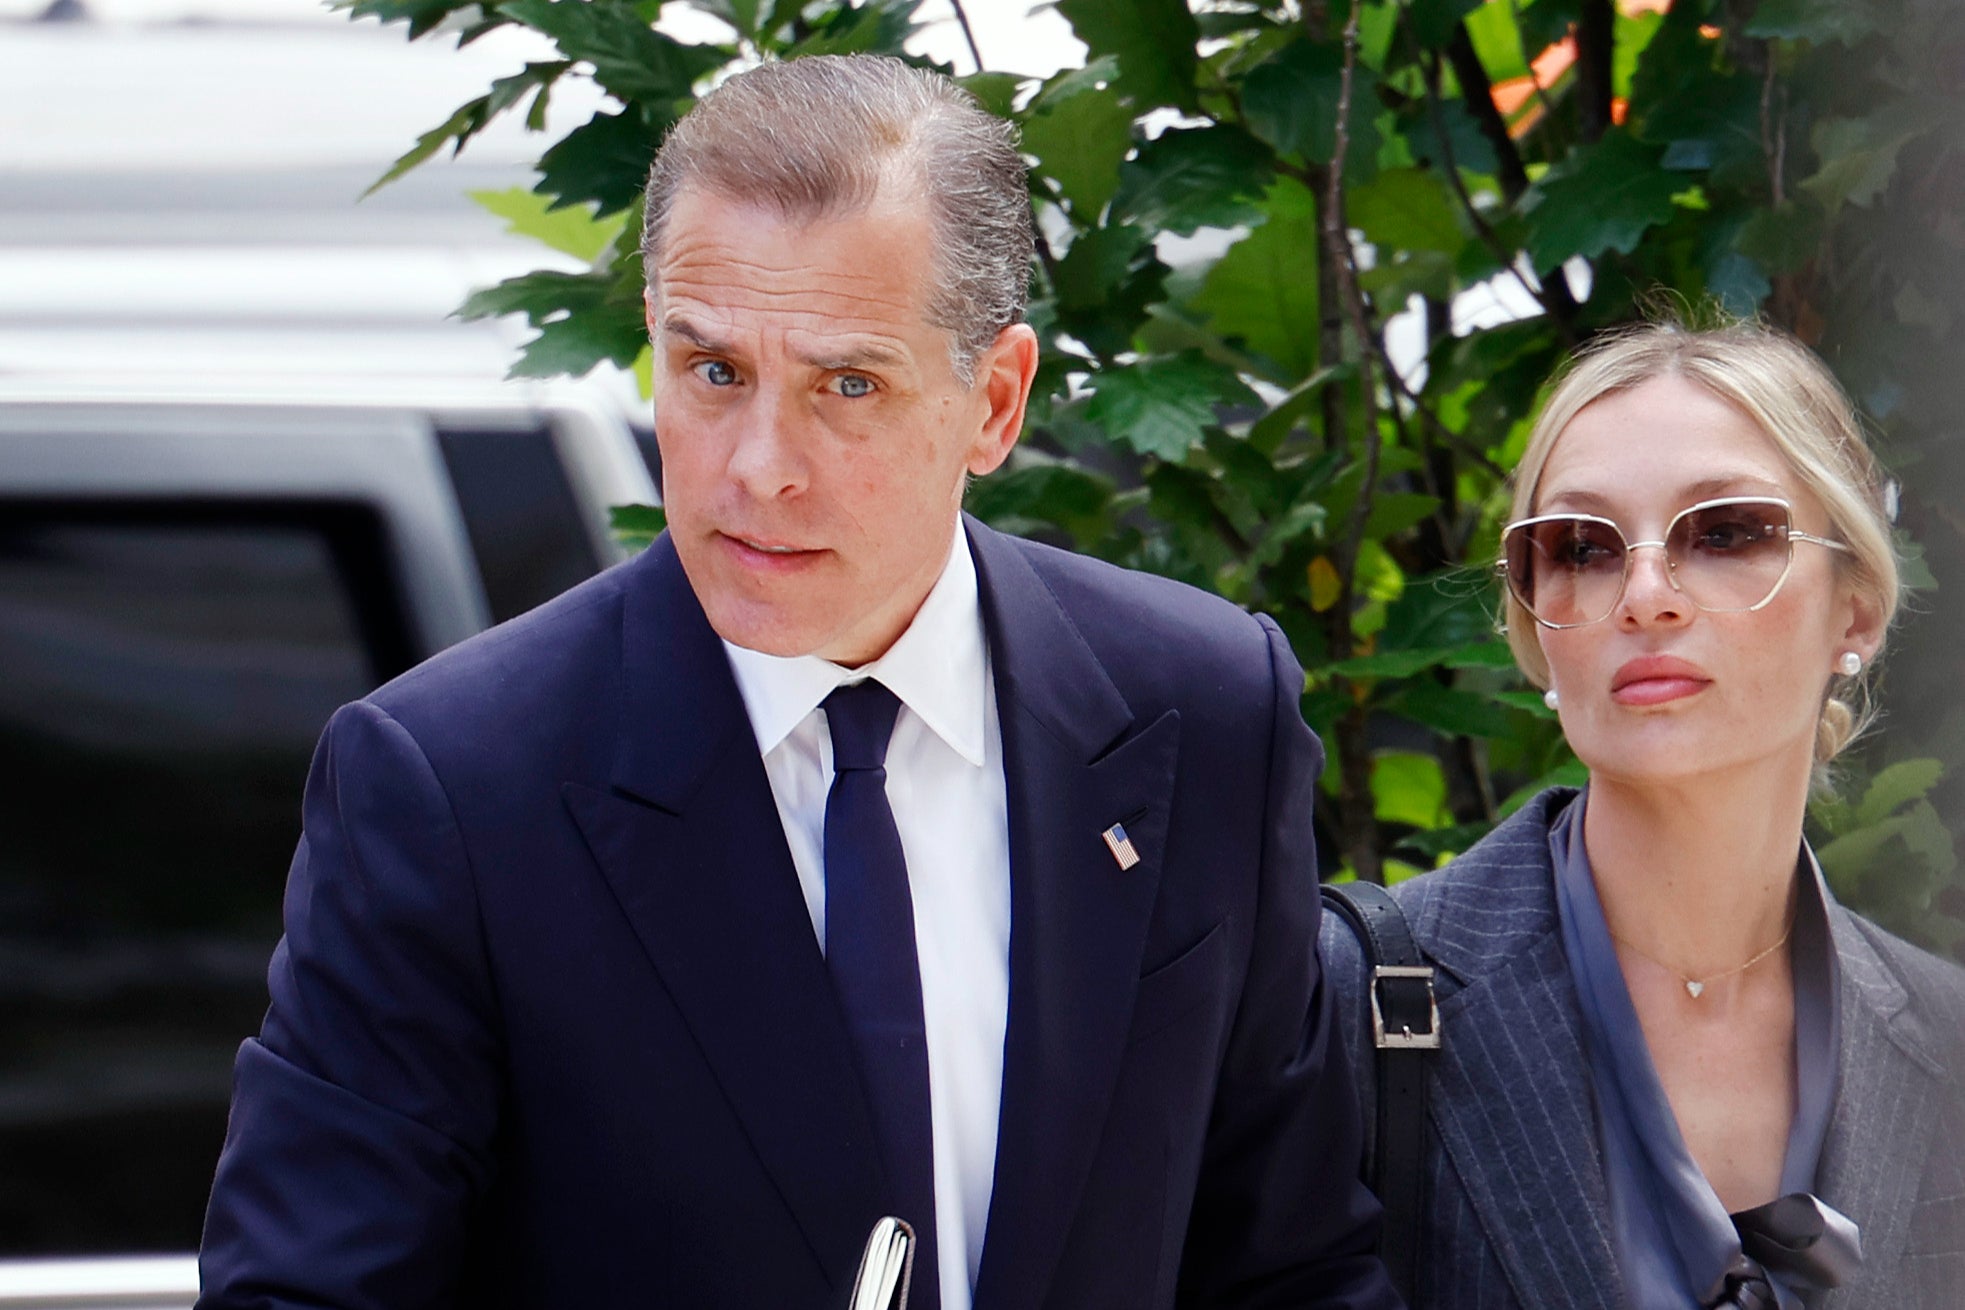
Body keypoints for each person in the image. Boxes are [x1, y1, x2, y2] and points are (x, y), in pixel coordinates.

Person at [197, 54, 1398, 1310]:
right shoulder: (453, 784)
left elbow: (1291, 1261)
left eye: (848, 384)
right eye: (712, 370)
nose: (758, 468)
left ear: (994, 403)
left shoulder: (1201, 708)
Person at [1322, 319, 1965, 1309]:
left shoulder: (1949, 1042)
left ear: (1858, 607)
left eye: (1725, 531)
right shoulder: (1342, 1001)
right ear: (1537, 624)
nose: (1646, 595)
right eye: (1581, 546)